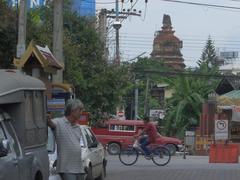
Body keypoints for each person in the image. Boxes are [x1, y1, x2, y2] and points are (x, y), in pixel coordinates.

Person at [47, 99, 85, 180]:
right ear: (72, 111)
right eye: (80, 110)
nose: (81, 113)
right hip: (66, 168)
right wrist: (48, 120)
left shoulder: (78, 127)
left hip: (78, 167)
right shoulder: (59, 122)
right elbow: (51, 124)